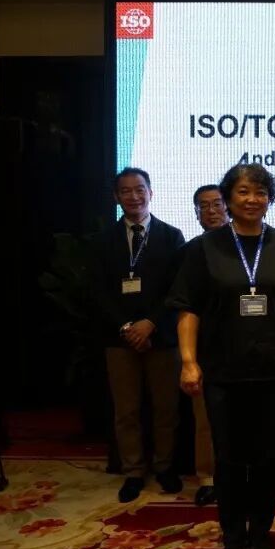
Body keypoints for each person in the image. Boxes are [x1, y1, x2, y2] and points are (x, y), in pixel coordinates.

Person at [169, 163, 275, 549]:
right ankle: (233, 539)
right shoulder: (205, 248)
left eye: (260, 192)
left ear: (269, 199)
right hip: (223, 373)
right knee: (230, 460)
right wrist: (189, 361)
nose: (252, 199)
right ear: (228, 198)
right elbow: (188, 309)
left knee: (269, 459)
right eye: (243, 192)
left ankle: (262, 537)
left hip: (274, 372)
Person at [91, 167, 185, 503]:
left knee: (166, 409)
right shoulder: (103, 241)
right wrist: (127, 327)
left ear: (151, 192)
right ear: (117, 197)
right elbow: (99, 291)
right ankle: (132, 471)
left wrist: (151, 323)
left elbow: (177, 289)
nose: (134, 196)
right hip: (120, 339)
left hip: (161, 337)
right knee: (127, 410)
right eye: (126, 191)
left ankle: (164, 466)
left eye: (140, 189)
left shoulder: (172, 236)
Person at [189, 183, 227, 507]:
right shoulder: (190, 251)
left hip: (248, 344)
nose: (211, 211)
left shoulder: (248, 246)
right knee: (205, 417)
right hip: (204, 345)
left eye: (217, 204)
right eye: (204, 206)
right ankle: (207, 478)